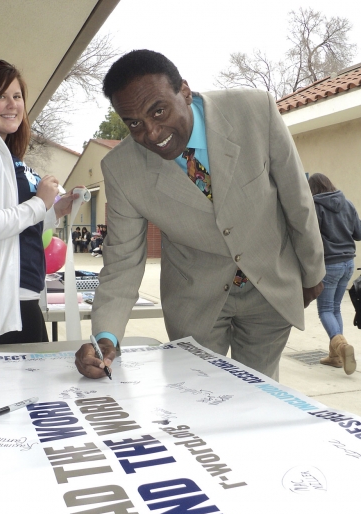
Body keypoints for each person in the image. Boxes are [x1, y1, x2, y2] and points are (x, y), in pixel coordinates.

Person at [75, 49, 325, 380]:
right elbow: (122, 263)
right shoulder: (121, 169)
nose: (151, 133)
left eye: (159, 111)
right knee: (195, 397)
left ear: (185, 91)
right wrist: (105, 337)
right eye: (134, 123)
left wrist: (312, 273)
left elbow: (297, 198)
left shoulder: (254, 111)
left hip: (269, 285)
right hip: (195, 299)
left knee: (258, 394)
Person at [0, 59, 80, 345]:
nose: (12, 104)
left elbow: (17, 227)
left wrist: (54, 211)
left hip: (22, 300)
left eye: (16, 96)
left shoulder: (8, 156)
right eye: (0, 96)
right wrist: (39, 204)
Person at [308, 173, 361, 375]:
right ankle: (335, 357)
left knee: (325, 310)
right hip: (349, 263)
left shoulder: (315, 206)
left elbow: (310, 237)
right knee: (335, 308)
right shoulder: (347, 203)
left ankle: (341, 347)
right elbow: (359, 233)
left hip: (329, 264)